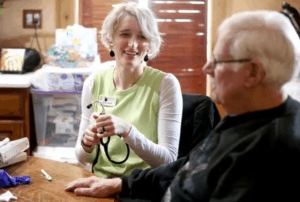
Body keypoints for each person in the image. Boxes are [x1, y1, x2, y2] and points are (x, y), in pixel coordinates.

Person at [66, 9, 300, 202]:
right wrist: (121, 184)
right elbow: (186, 167)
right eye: (124, 34)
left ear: (253, 72)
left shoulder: (277, 150)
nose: (206, 69)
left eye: (218, 61)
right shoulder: (243, 119)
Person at [75, 2, 183, 178]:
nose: (133, 44)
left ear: (149, 44)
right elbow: (81, 158)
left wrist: (127, 131)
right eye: (125, 34)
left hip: (142, 187)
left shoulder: (166, 84)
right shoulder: (93, 83)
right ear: (111, 39)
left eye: (142, 37)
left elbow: (169, 161)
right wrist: (87, 144)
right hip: (101, 184)